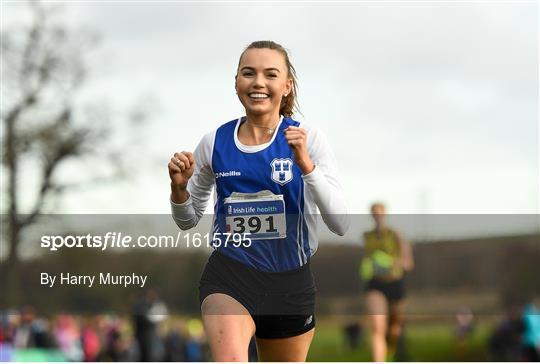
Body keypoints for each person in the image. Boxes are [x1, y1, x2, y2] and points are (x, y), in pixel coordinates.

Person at [169, 40, 349, 361]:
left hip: (290, 281)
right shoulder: (214, 143)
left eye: (270, 74)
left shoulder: (309, 138)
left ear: (286, 86)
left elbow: (340, 223)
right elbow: (187, 219)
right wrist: (179, 189)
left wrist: (307, 166)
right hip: (231, 276)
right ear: (236, 82)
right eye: (248, 73)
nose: (258, 83)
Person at [360, 202, 413, 362]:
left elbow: (408, 263)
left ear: (385, 214)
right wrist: (368, 265)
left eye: (380, 213)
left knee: (394, 330)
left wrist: (389, 262)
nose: (377, 216)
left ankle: (389, 350)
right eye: (374, 213)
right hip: (375, 284)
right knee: (377, 327)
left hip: (395, 283)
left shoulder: (396, 235)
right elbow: (367, 259)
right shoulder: (366, 236)